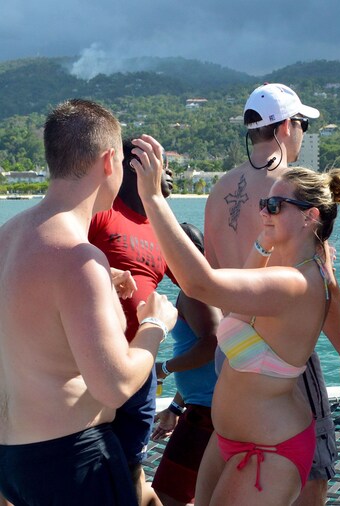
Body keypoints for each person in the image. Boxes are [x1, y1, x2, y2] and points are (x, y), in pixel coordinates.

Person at [132, 133, 340, 504]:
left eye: (275, 205)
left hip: (269, 450)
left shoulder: (295, 283)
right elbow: (237, 309)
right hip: (229, 440)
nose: (264, 211)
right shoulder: (286, 268)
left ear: (309, 216)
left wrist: (153, 200)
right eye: (264, 204)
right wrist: (265, 240)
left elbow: (201, 284)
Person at [0, 99, 176, 505]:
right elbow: (114, 386)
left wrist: (98, 284)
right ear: (110, 161)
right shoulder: (79, 257)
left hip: (13, 462)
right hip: (71, 462)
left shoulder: (9, 237)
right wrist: (155, 325)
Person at [204, 83, 340, 506]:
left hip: (231, 350)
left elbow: (211, 272)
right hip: (279, 356)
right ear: (288, 127)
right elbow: (325, 287)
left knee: (238, 464)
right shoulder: (290, 192)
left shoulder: (219, 189)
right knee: (310, 475)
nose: (303, 133)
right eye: (303, 125)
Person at [88, 139, 178, 506]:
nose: (167, 172)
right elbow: (57, 261)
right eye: (155, 162)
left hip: (139, 370)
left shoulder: (164, 229)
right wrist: (106, 272)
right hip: (93, 367)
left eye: (166, 163)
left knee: (131, 472)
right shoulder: (101, 214)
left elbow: (201, 284)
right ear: (129, 167)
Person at [150, 222, 221, 506]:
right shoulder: (199, 288)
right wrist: (177, 406)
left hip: (207, 415)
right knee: (200, 494)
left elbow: (212, 344)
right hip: (201, 408)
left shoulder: (194, 293)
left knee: (169, 493)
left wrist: (164, 368)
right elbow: (199, 353)